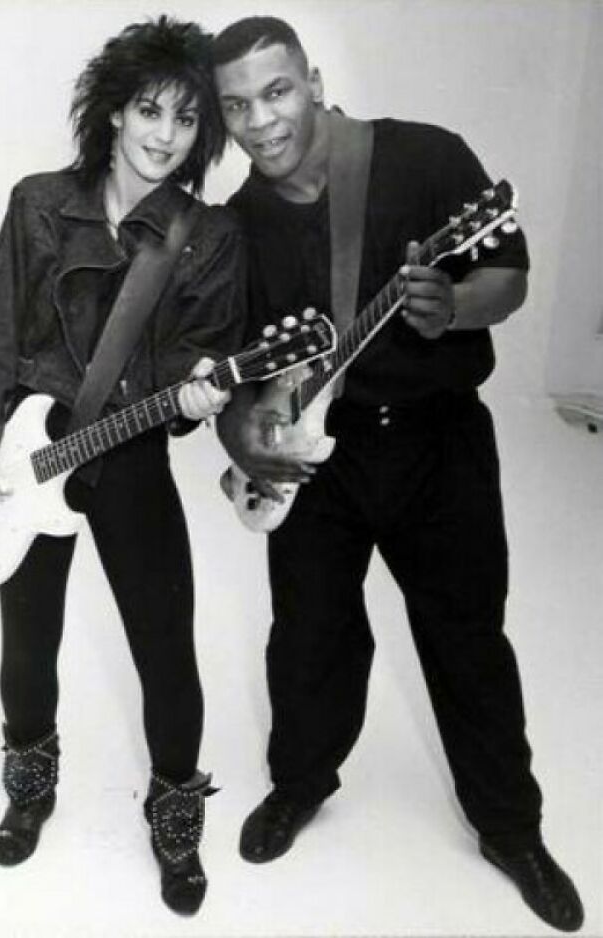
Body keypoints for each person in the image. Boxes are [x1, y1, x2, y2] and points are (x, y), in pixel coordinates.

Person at [213, 16, 585, 933]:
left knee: (467, 641)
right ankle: (302, 784)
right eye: (236, 107)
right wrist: (243, 437)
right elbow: (230, 373)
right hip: (317, 467)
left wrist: (452, 306)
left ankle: (512, 829)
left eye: (277, 91)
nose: (260, 121)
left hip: (437, 445)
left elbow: (512, 276)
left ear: (314, 78)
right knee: (308, 638)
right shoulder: (237, 226)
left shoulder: (423, 160)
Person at [0, 16, 245, 916]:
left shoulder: (210, 234)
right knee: (27, 640)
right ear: (113, 111)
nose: (164, 134)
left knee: (167, 649)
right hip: (30, 450)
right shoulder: (38, 201)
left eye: (187, 120)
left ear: (205, 134)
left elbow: (207, 353)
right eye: (149, 110)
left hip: (129, 453)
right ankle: (30, 780)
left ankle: (175, 812)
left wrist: (199, 395)